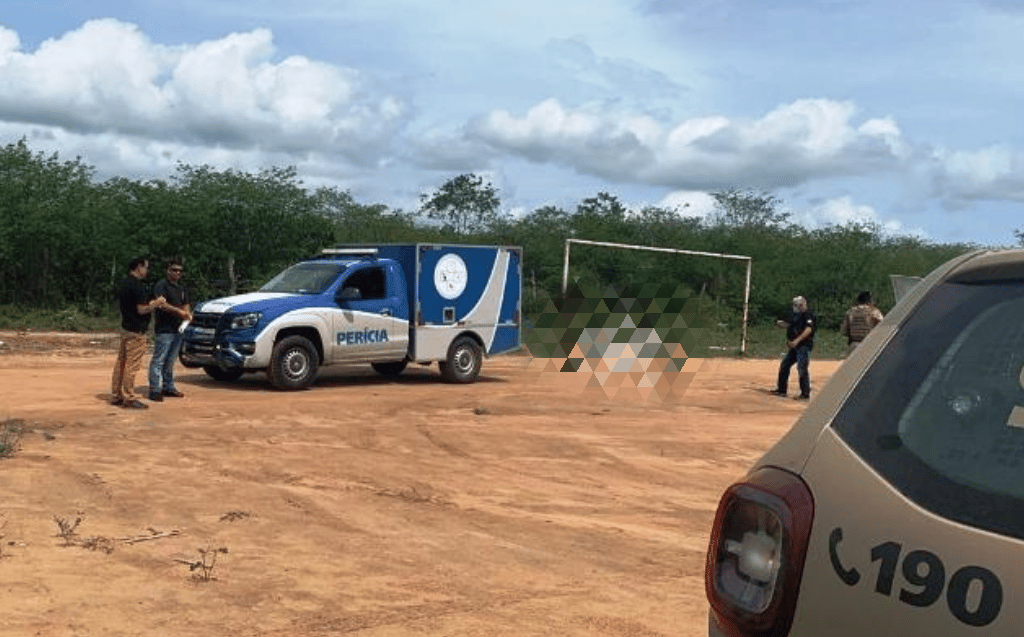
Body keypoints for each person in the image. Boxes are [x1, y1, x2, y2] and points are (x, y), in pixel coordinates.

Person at [111, 256, 166, 409]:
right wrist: (156, 304)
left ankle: (117, 394)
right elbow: (141, 309)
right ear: (138, 267)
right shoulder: (138, 286)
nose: (147, 271)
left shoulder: (125, 284)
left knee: (121, 363)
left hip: (125, 328)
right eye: (146, 268)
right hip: (137, 330)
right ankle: (129, 397)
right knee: (131, 365)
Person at [148, 259, 192, 401]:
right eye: (174, 270)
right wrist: (180, 312)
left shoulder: (182, 289)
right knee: (159, 359)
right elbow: (162, 305)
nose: (177, 273)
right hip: (164, 329)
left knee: (171, 360)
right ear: (168, 271)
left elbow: (186, 305)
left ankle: (168, 386)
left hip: (178, 329)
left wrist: (186, 315)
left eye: (179, 270)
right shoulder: (161, 286)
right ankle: (155, 388)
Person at [770, 295, 815, 400]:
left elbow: (809, 329)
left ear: (801, 304)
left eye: (796, 305)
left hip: (803, 345)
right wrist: (783, 325)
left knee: (802, 367)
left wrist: (796, 341)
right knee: (785, 364)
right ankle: (781, 390)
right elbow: (793, 326)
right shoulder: (796, 316)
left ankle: (805, 393)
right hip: (795, 346)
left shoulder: (807, 315)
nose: (795, 307)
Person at [840, 290, 884, 355]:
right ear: (869, 301)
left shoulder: (851, 312)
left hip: (854, 344)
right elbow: (882, 326)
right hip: (869, 344)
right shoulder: (874, 311)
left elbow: (844, 330)